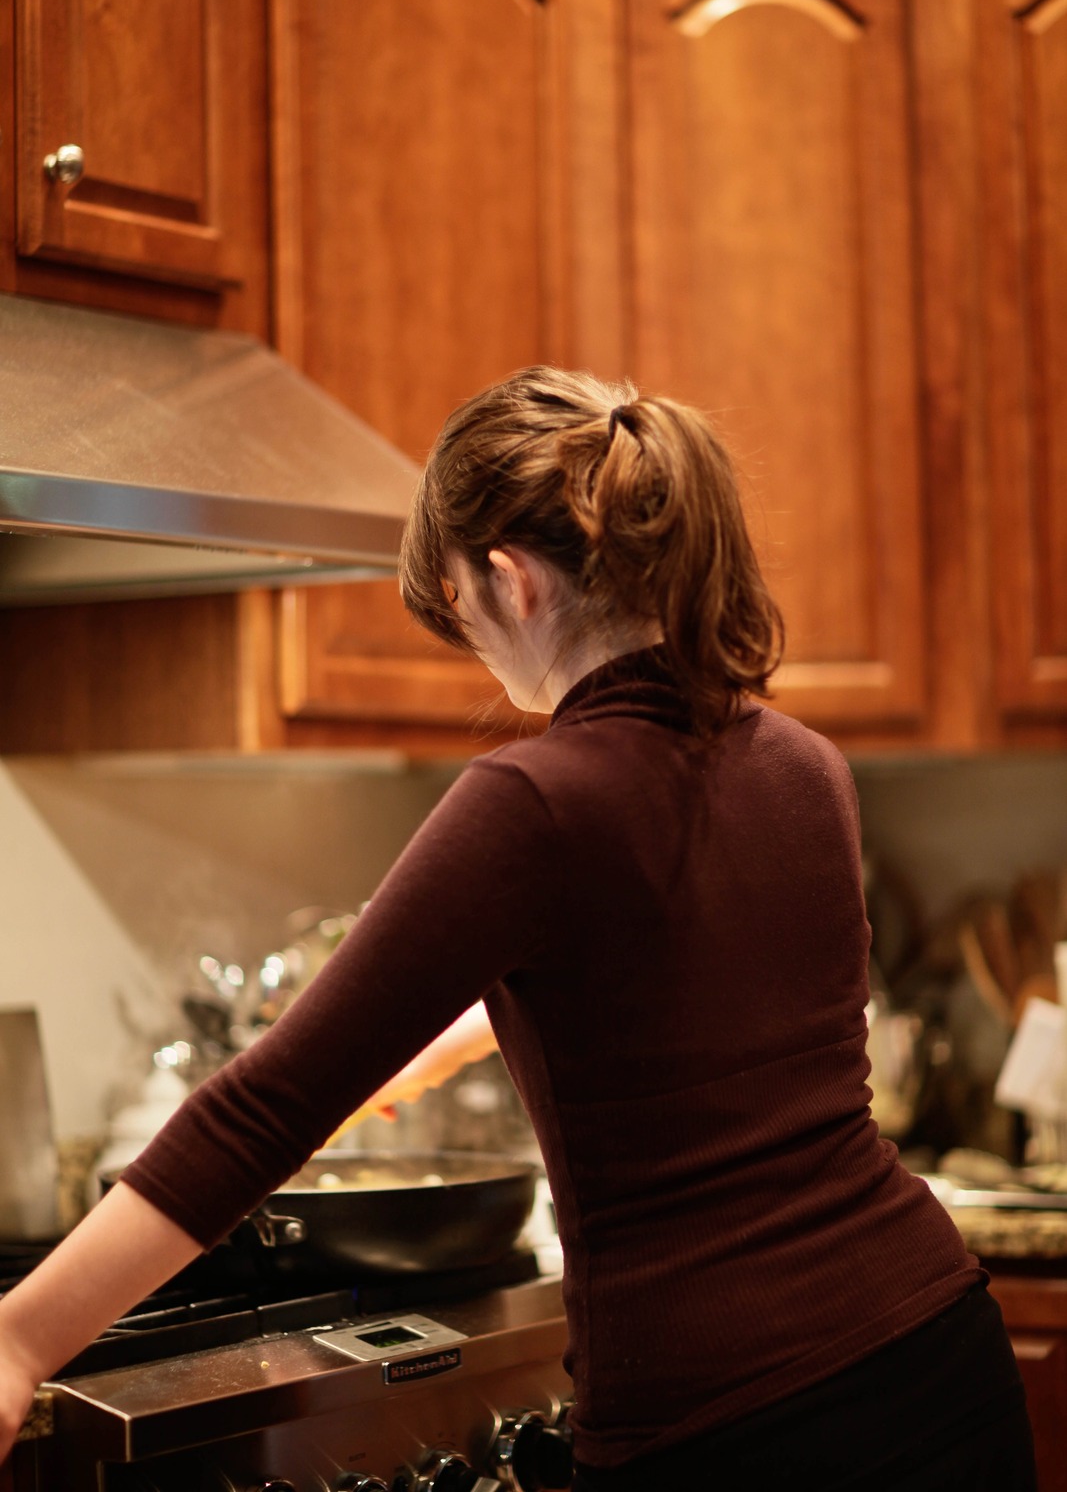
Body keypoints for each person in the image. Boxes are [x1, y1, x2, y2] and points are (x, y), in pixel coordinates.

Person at [0, 367, 1037, 1489]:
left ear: (509, 579)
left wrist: (19, 1343)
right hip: (936, 1355)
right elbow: (671, 984)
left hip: (731, 1425)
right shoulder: (802, 765)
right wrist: (452, 1033)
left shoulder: (532, 799)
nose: (475, 653)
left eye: (455, 610)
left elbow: (260, 1111)